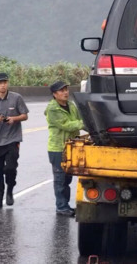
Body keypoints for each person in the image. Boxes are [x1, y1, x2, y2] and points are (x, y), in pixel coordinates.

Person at [0, 72, 29, 209]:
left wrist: (14, 119)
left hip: (13, 139)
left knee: (10, 168)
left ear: (7, 83)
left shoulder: (16, 98)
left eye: (5, 82)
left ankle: (10, 189)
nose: (3, 85)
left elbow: (25, 116)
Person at [44, 81, 84, 217]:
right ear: (54, 94)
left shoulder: (71, 106)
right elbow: (67, 125)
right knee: (60, 179)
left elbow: (79, 120)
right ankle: (61, 207)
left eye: (66, 89)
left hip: (71, 147)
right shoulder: (52, 109)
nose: (65, 92)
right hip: (57, 148)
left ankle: (65, 205)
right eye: (61, 91)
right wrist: (84, 123)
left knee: (67, 179)